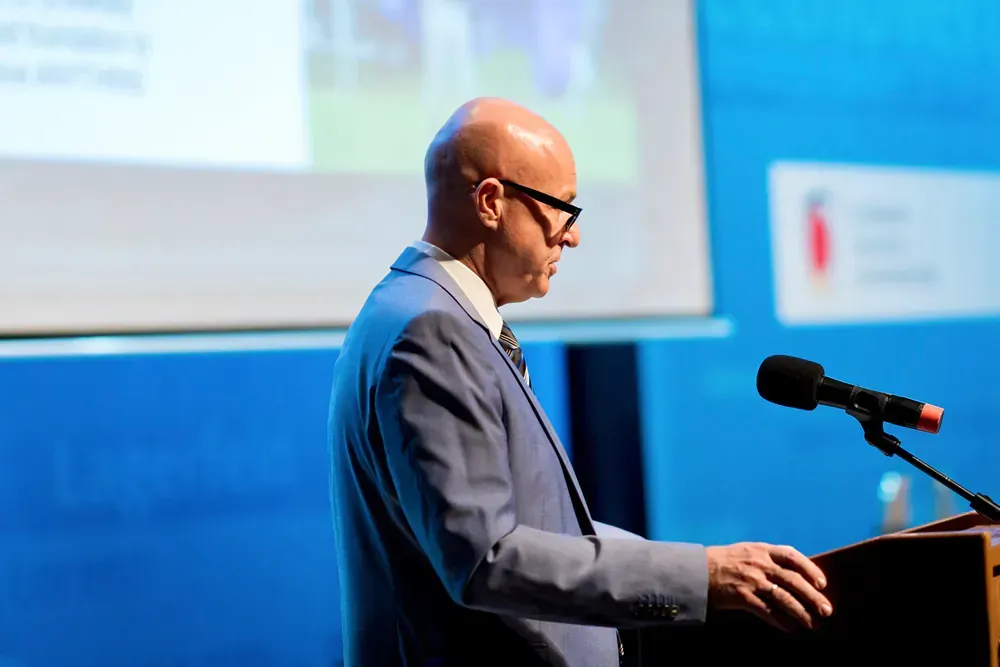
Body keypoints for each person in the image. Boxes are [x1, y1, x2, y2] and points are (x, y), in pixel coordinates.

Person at [328, 97, 833, 667]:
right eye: (560, 208)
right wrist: (701, 575)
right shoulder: (431, 331)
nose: (571, 237)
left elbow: (536, 525)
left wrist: (704, 568)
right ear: (491, 202)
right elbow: (487, 560)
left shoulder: (417, 310)